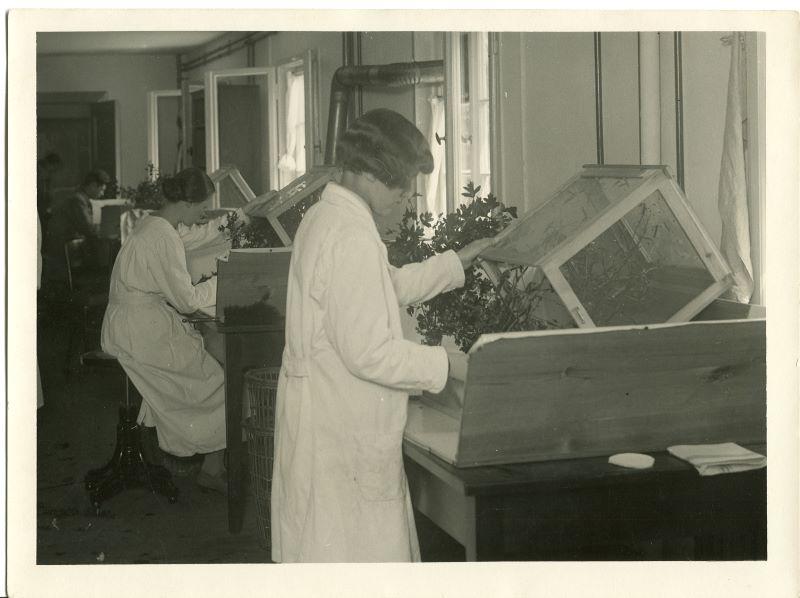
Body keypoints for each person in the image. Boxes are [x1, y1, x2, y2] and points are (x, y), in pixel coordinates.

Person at [271, 108, 497, 563]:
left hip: (325, 421)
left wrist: (459, 261)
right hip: (342, 431)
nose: (409, 196)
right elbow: (369, 353)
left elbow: (383, 286)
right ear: (376, 175)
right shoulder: (350, 235)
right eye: (406, 183)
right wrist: (449, 364)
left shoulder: (325, 218)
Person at [100, 167, 266, 491]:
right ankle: (211, 468)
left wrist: (244, 214)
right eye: (202, 207)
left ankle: (211, 465)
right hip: (139, 329)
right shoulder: (162, 235)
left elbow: (199, 238)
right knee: (219, 381)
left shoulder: (155, 224)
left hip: (135, 322)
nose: (203, 215)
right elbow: (187, 300)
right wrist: (225, 281)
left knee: (212, 371)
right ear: (187, 203)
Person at [42, 168, 109, 289]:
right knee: (104, 251)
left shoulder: (79, 198)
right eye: (102, 189)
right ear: (93, 185)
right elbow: (88, 228)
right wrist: (106, 228)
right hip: (64, 247)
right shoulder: (77, 201)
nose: (102, 194)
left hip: (66, 243)